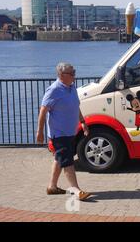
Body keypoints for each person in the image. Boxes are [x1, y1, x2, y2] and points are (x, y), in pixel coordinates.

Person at [36, 62, 91, 201]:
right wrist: (40, 131)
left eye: (74, 72)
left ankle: (52, 187)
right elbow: (43, 110)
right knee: (68, 161)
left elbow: (75, 107)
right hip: (59, 133)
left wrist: (83, 122)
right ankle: (76, 190)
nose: (74, 75)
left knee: (59, 159)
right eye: (71, 73)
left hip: (70, 132)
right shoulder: (53, 90)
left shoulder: (71, 88)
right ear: (61, 75)